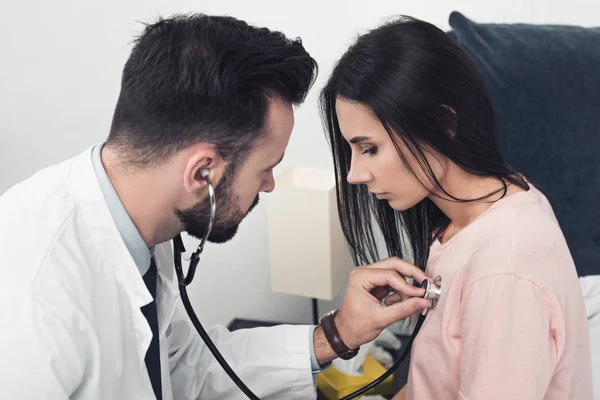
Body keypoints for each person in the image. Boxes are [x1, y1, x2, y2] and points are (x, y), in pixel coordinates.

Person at [0, 14, 432, 400]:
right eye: (267, 168)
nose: (269, 187)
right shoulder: (33, 300)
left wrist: (337, 334)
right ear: (202, 173)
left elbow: (183, 367)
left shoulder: (141, 226)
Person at [321, 16, 593, 400]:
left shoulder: (504, 269)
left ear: (442, 123)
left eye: (369, 149)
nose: (353, 175)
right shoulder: (474, 216)